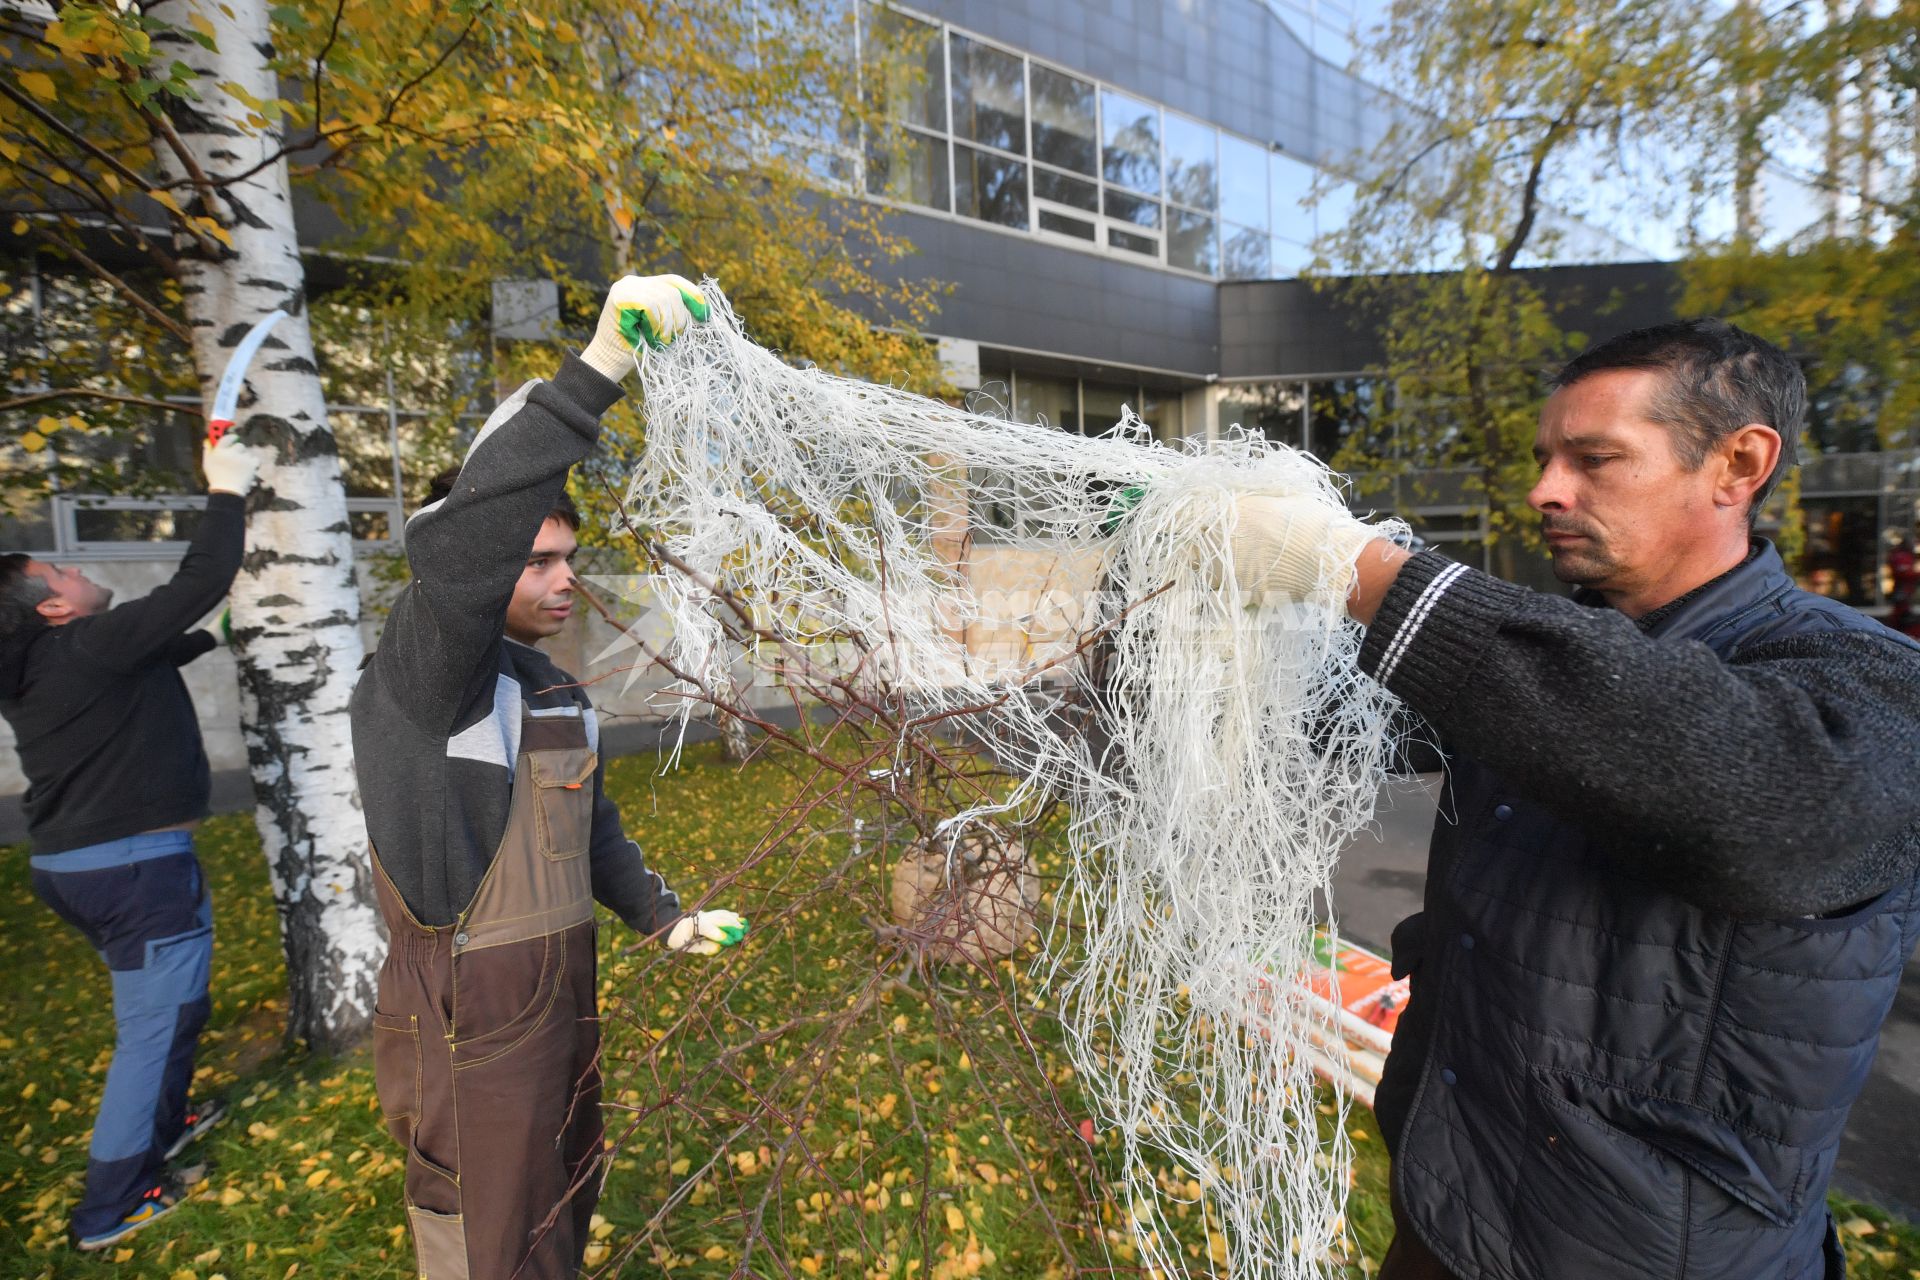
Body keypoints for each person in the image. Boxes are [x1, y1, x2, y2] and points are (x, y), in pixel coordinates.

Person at [1222, 319, 1920, 1280]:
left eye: (1595, 458)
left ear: (1739, 464)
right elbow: (1326, 720)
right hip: (1447, 1208)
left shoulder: (1868, 678)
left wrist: (1358, 569)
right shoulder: (1528, 659)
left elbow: (1761, 806)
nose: (1545, 490)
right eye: (1547, 458)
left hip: (1647, 1254)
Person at [350, 274, 748, 1280]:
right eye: (536, 561)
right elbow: (458, 552)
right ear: (484, 569)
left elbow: (590, 829)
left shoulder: (551, 685)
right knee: (490, 1238)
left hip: (559, 1002)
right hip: (467, 1023)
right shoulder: (427, 675)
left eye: (569, 555)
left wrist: (662, 917)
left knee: (561, 1200)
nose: (565, 577)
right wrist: (599, 366)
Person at [0, 433, 257, 1250]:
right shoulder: (83, 645)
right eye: (61, 571)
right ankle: (109, 1206)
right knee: (151, 1029)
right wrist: (225, 491)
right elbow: (200, 580)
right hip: (132, 873)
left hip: (96, 867)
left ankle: (167, 1124)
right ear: (53, 606)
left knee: (179, 1005)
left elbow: (167, 645)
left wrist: (218, 627)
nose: (75, 569)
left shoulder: (60, 660)